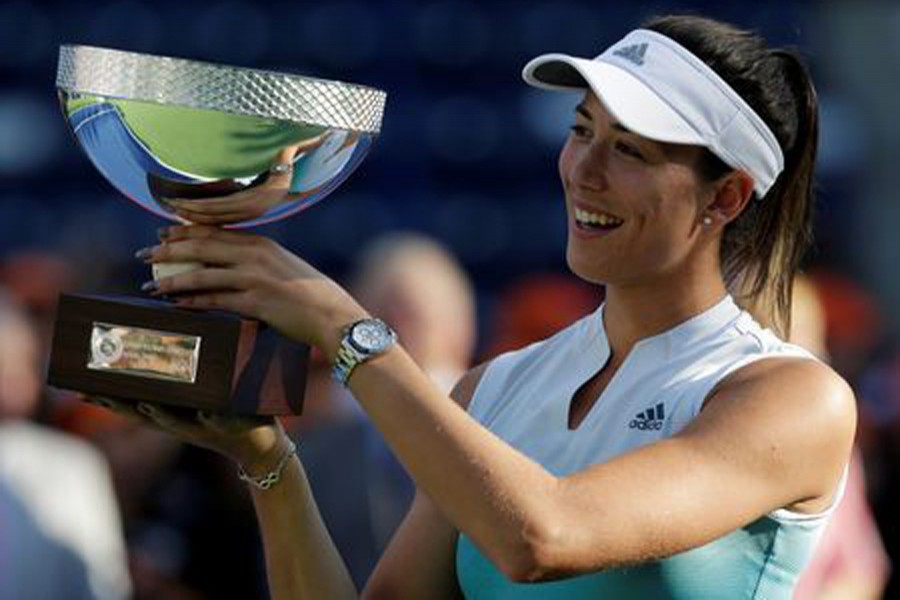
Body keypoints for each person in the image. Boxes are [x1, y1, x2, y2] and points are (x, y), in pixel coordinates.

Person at [108, 14, 855, 598]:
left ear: (725, 197)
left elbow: (544, 537)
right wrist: (266, 460)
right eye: (581, 131)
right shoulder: (494, 390)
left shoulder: (792, 397)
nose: (584, 171)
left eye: (630, 150)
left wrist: (345, 330)